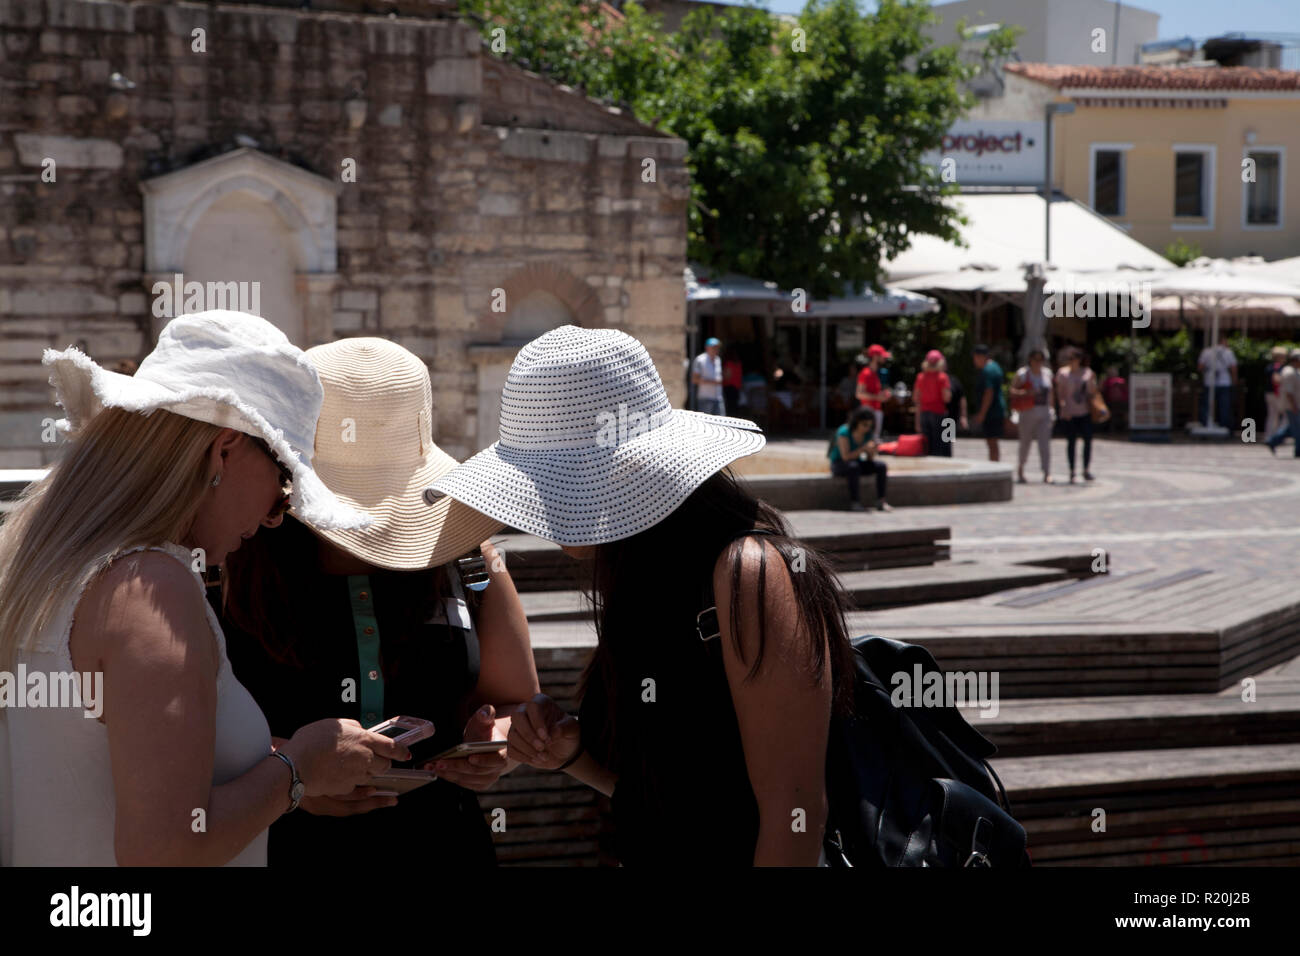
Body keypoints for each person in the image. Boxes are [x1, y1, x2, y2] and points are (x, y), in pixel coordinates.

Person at [431, 326, 856, 866]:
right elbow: (671, 800)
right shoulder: (641, 573)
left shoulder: (748, 574)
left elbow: (795, 815)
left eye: (553, 484)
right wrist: (573, 754)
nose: (539, 508)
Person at [0, 310, 407, 866]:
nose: (276, 515)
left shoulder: (49, 563)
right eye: (284, 479)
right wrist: (299, 769)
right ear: (223, 451)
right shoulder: (150, 588)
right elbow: (164, 850)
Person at [219, 338, 540, 867]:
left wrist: (498, 746)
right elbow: (186, 735)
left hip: (444, 846)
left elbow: (517, 703)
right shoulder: (228, 563)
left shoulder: (471, 563)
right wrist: (295, 775)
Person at [828, 408, 892, 512]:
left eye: (869, 425)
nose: (867, 428)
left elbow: (869, 459)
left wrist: (872, 450)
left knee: (881, 466)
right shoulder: (844, 432)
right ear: (856, 422)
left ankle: (881, 501)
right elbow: (845, 457)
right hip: (839, 464)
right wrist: (863, 449)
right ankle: (855, 502)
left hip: (855, 462)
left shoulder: (868, 434)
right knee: (854, 467)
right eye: (864, 425)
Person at [1011, 347, 1054, 484]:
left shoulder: (1047, 374)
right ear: (1030, 359)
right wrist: (1025, 393)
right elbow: (1012, 391)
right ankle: (1021, 468)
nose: (1038, 362)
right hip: (1027, 412)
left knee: (1045, 445)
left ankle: (1047, 472)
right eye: (1036, 359)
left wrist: (1053, 410)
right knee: (1025, 443)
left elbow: (1051, 394)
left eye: (1041, 360)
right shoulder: (1023, 374)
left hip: (1044, 413)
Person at [1056, 347, 1098, 483]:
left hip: (1084, 412)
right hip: (1069, 413)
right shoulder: (1062, 373)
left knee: (1088, 440)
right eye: (1069, 359)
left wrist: (1092, 382)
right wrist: (1063, 409)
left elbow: (1092, 393)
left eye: (1073, 358)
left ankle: (1086, 469)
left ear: (1079, 360)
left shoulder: (1087, 373)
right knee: (1071, 442)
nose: (1071, 361)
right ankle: (1072, 471)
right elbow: (1060, 394)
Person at [913, 349, 952, 457]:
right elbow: (946, 398)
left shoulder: (920, 377)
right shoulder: (943, 377)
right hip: (939, 413)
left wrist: (917, 420)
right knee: (939, 443)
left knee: (926, 444)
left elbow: (916, 398)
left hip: (924, 413)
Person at [971, 344, 1005, 461]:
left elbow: (988, 393)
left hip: (992, 412)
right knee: (992, 442)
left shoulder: (988, 370)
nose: (974, 361)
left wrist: (982, 414)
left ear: (981, 357)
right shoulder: (995, 367)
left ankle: (994, 466)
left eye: (975, 358)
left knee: (992, 442)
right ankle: (994, 464)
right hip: (995, 410)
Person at [1266, 349, 1300, 458]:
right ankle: (1298, 449)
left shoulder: (1292, 371)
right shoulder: (1289, 372)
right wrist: (1294, 405)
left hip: (1292, 404)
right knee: (1297, 428)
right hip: (1292, 405)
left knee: (1291, 428)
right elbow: (1289, 392)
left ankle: (1272, 441)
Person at [1198, 338, 1237, 429]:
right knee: (1224, 405)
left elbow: (1200, 367)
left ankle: (1205, 424)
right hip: (1225, 382)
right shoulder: (1228, 352)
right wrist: (1234, 380)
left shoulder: (1206, 352)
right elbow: (1233, 368)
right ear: (1223, 341)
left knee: (1207, 405)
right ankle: (1225, 426)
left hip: (1209, 381)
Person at [855, 343, 891, 440]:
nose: (884, 359)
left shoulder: (875, 373)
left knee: (874, 440)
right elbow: (859, 394)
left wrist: (883, 396)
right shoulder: (865, 373)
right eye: (882, 356)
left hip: (875, 410)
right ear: (875, 357)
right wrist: (877, 397)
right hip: (868, 413)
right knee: (868, 440)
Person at [692, 336, 726, 416]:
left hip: (718, 397)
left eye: (717, 347)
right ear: (707, 348)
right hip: (705, 398)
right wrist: (713, 382)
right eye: (714, 347)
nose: (716, 349)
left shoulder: (718, 359)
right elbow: (695, 379)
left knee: (721, 423)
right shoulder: (700, 360)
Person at [940, 357, 967, 452]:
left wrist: (963, 416)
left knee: (947, 444)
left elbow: (962, 398)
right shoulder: (930, 379)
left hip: (950, 418)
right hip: (935, 416)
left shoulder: (953, 380)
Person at [1265, 346, 1288, 440]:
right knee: (1282, 416)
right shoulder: (1277, 367)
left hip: (1270, 393)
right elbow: (1276, 380)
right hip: (1276, 394)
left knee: (1272, 416)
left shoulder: (1270, 366)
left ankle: (1271, 436)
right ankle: (1277, 436)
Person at [1102, 366, 1128, 433]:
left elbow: (1103, 391)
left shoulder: (1107, 381)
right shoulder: (1122, 380)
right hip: (1122, 403)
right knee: (1124, 414)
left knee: (1111, 415)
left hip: (1111, 404)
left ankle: (1111, 429)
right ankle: (1125, 428)